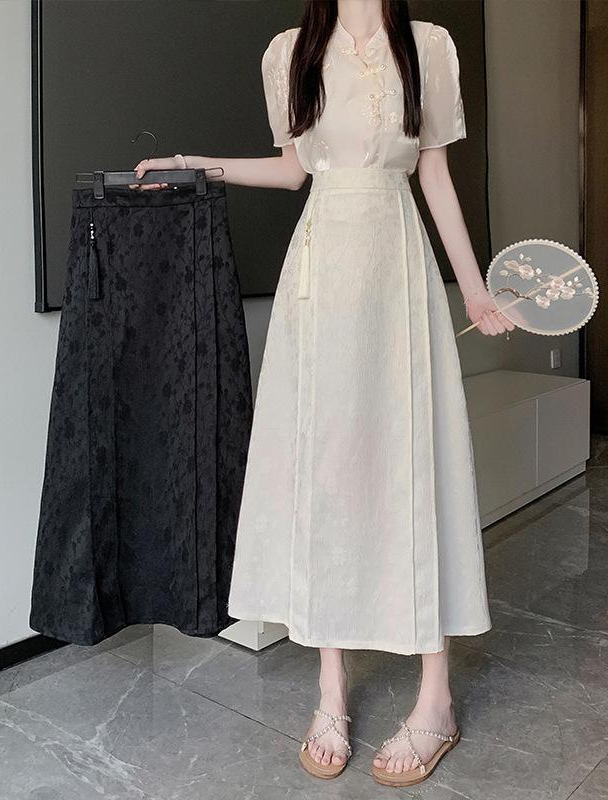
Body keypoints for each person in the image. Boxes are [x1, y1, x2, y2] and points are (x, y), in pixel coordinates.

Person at [132, 0, 513, 788]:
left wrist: (474, 291)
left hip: (397, 268)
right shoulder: (290, 51)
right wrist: (196, 164)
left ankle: (435, 699)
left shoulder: (429, 46)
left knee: (415, 463)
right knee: (326, 472)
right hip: (319, 275)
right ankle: (330, 692)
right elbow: (294, 171)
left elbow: (435, 176)